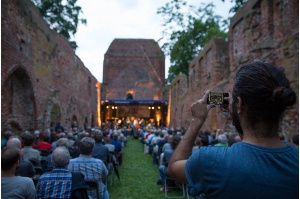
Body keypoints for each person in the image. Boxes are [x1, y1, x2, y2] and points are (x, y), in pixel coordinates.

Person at [167, 62, 298, 198]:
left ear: (239, 103)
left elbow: (173, 167)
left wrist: (197, 121)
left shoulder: (211, 161)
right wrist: (238, 114)